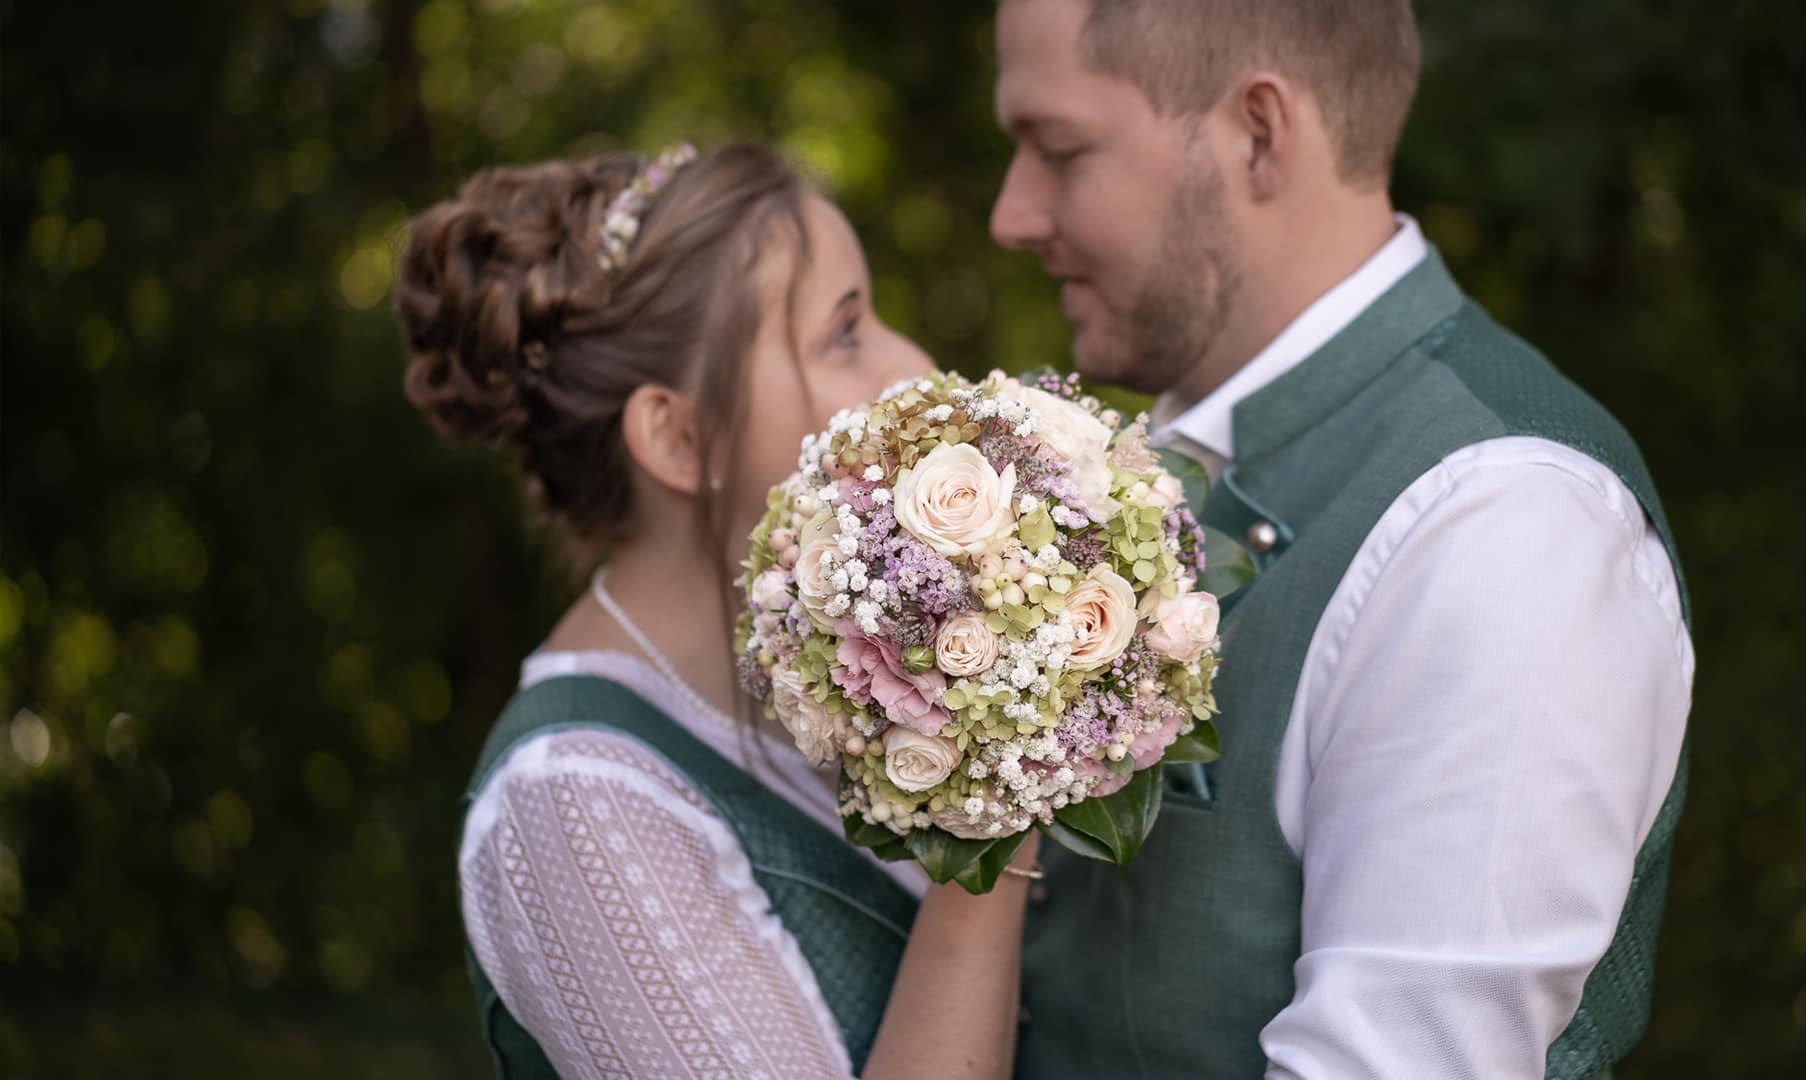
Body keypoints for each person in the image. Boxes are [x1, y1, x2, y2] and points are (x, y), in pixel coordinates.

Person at [988, 2, 1695, 1077]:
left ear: (1260, 133)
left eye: (1060, 148)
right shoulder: (1131, 464)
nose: (1012, 214)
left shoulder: (1502, 526)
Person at [395, 142, 1036, 1080]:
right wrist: (994, 828)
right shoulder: (570, 805)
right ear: (680, 436)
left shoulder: (854, 669)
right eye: (845, 333)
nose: (919, 366)